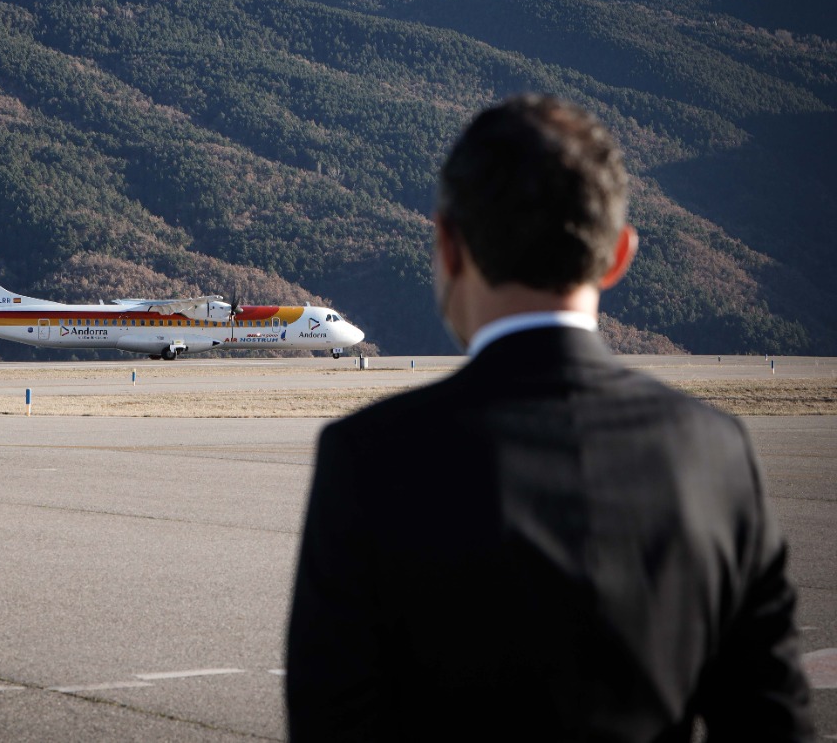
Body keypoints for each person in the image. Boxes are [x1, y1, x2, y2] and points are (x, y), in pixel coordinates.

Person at [286, 95, 815, 741]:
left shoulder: (368, 454)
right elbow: (774, 717)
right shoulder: (716, 449)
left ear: (449, 246)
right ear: (619, 255)